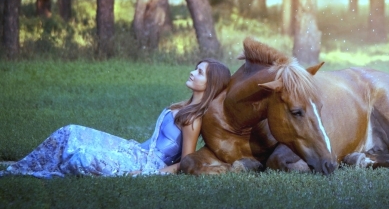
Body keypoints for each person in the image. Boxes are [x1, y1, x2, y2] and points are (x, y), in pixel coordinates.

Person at [0, 58, 231, 178]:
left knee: (80, 158)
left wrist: (146, 176)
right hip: (134, 150)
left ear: (209, 84)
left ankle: (44, 170)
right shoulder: (182, 105)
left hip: (146, 165)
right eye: (196, 68)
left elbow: (184, 163)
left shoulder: (193, 119)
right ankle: (19, 169)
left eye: (200, 72)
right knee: (69, 131)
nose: (192, 72)